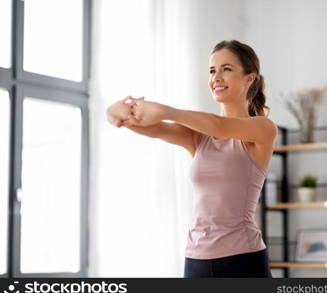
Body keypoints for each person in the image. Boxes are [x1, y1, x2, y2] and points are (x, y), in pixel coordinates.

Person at [106, 40, 278, 278]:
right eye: (212, 70)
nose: (216, 77)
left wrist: (167, 111)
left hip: (241, 259)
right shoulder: (198, 137)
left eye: (226, 69)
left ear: (250, 78)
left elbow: (219, 126)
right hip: (196, 258)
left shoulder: (263, 129)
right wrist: (117, 112)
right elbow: (152, 129)